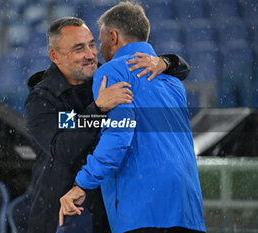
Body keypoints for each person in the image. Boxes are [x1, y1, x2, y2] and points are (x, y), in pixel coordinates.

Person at [25, 16, 191, 233]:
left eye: (92, 44)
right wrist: (98, 109)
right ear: (55, 56)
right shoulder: (41, 99)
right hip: (61, 215)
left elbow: (182, 70)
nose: (90, 54)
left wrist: (164, 62)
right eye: (78, 49)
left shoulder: (108, 75)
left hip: (109, 214)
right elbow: (63, 147)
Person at [59, 2, 206, 233]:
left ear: (113, 36)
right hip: (188, 210)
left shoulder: (111, 72)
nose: (100, 48)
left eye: (100, 39)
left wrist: (82, 183)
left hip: (142, 208)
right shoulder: (174, 82)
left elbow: (119, 136)